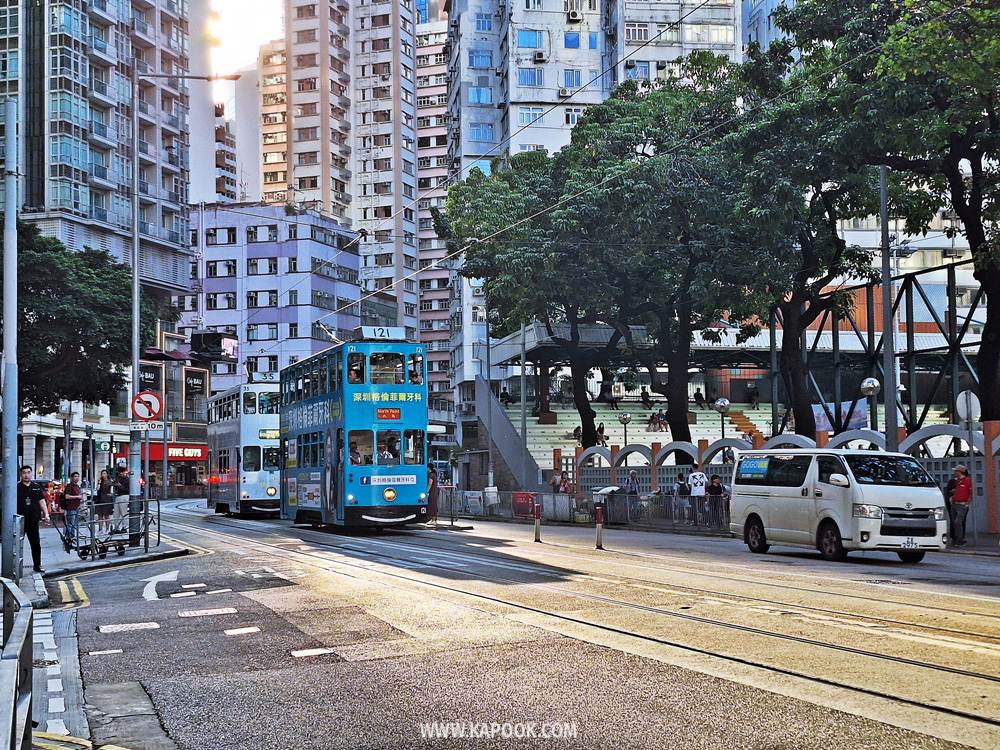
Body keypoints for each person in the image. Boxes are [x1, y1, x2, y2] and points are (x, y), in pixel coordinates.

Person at [17, 466, 49, 573]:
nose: (26, 475)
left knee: (35, 543)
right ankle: (15, 567)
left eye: (28, 473)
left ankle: (37, 565)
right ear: (21, 474)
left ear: (31, 474)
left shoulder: (36, 487)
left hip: (33, 519)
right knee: (17, 544)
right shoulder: (16, 487)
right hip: (19, 520)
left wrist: (46, 514)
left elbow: (42, 501)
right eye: (24, 473)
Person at [950, 464, 972, 547]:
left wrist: (967, 504)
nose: (955, 472)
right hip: (955, 503)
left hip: (962, 504)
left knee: (958, 522)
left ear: (960, 472)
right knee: (954, 523)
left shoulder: (967, 481)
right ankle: (957, 539)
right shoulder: (957, 481)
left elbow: (970, 493)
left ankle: (960, 539)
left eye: (956, 471)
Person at [62, 471, 84, 543]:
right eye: (75, 476)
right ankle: (68, 536)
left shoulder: (77, 486)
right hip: (71, 507)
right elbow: (67, 496)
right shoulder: (69, 486)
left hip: (76, 507)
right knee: (70, 523)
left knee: (74, 523)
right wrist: (77, 497)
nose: (76, 478)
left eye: (78, 476)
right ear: (72, 478)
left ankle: (73, 536)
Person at [94, 469, 115, 534]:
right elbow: (97, 489)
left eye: (104, 473)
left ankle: (107, 528)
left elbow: (116, 486)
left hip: (107, 498)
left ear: (107, 474)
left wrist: (113, 494)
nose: (103, 475)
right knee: (100, 515)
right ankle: (100, 529)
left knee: (106, 515)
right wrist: (99, 482)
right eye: (102, 473)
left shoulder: (109, 481)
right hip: (100, 498)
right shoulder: (100, 481)